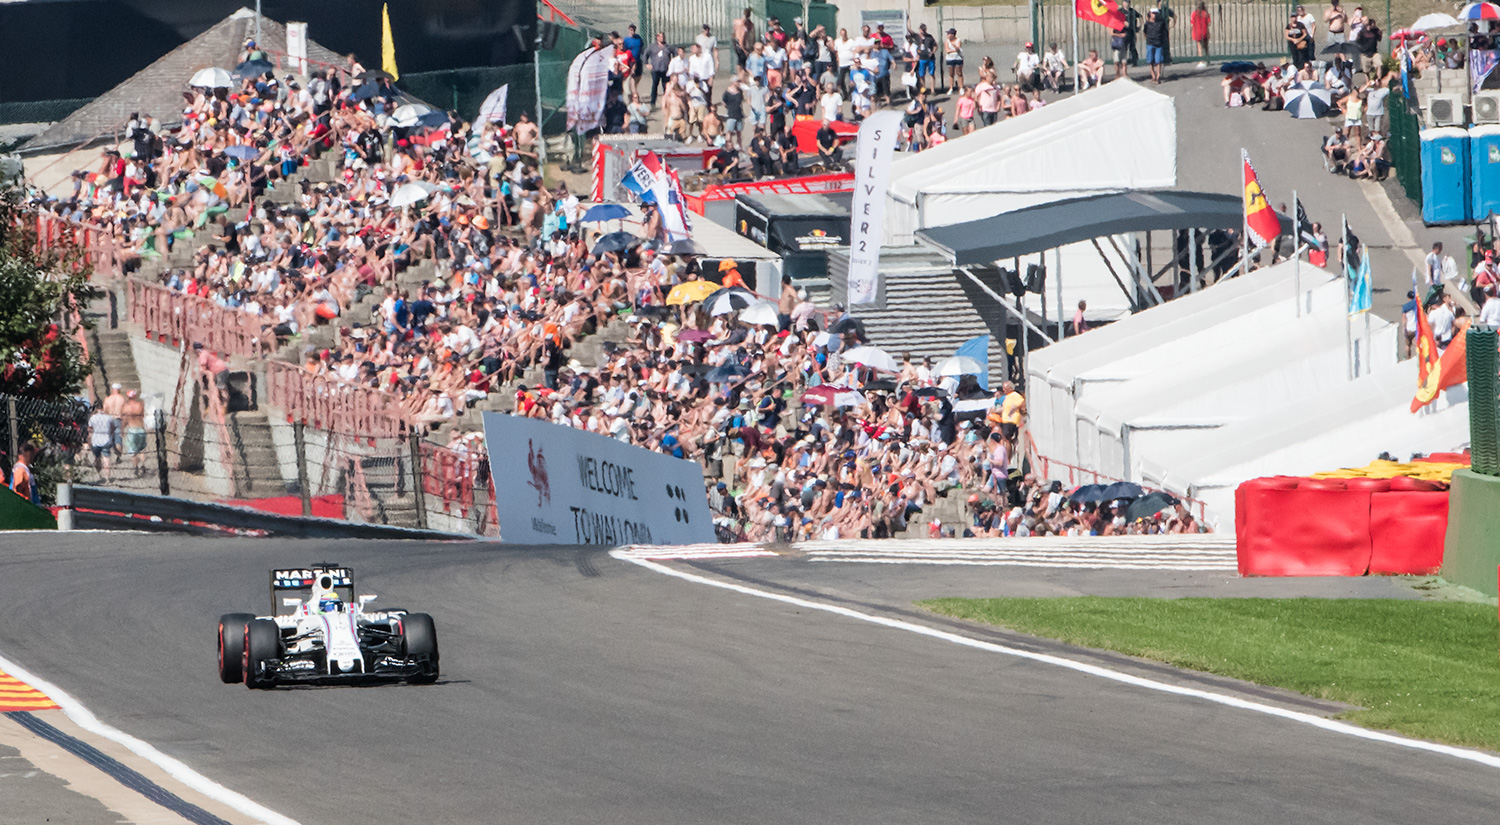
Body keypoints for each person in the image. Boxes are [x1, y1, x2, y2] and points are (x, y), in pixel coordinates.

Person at [122, 389, 147, 476]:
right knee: (142, 450)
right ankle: (143, 465)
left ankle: (135, 467)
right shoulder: (139, 406)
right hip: (140, 428)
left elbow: (125, 420)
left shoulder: (126, 407)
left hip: (132, 429)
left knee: (133, 451)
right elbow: (143, 416)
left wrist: (122, 429)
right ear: (135, 396)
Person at [88, 403, 114, 482]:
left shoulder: (93, 418)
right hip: (106, 437)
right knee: (106, 458)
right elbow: (112, 427)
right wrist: (110, 433)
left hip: (96, 439)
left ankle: (99, 473)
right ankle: (107, 476)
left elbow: (89, 428)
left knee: (97, 458)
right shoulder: (108, 417)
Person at [645, 32, 673, 105]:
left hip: (665, 70)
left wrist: (673, 64)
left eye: (663, 36)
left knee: (666, 87)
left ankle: (667, 103)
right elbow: (645, 55)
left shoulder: (668, 47)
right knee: (654, 86)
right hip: (655, 70)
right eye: (660, 37)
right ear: (657, 38)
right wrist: (647, 64)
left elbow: (675, 53)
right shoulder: (652, 47)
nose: (662, 38)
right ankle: (653, 102)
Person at [1144, 10, 1169, 84]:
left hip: (1159, 43)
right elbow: (1145, 32)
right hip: (1150, 43)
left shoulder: (1161, 23)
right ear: (1150, 14)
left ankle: (1158, 75)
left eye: (1156, 13)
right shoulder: (1147, 24)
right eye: (1153, 13)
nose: (1154, 15)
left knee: (1158, 60)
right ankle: (1152, 74)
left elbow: (1164, 32)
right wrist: (1148, 38)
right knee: (1150, 60)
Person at [1190, 2, 1211, 67]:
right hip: (1204, 31)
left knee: (1199, 46)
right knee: (1206, 46)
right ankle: (1207, 58)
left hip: (1197, 32)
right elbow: (1209, 23)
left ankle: (1201, 60)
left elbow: (1192, 24)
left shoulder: (1194, 13)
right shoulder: (1206, 13)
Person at [944, 28, 965, 93]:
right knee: (951, 73)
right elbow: (947, 50)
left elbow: (958, 49)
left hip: (958, 58)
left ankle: (961, 87)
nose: (947, 35)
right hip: (950, 59)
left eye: (949, 33)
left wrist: (954, 47)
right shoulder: (946, 41)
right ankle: (951, 87)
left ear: (952, 34)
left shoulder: (958, 40)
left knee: (959, 73)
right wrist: (954, 50)